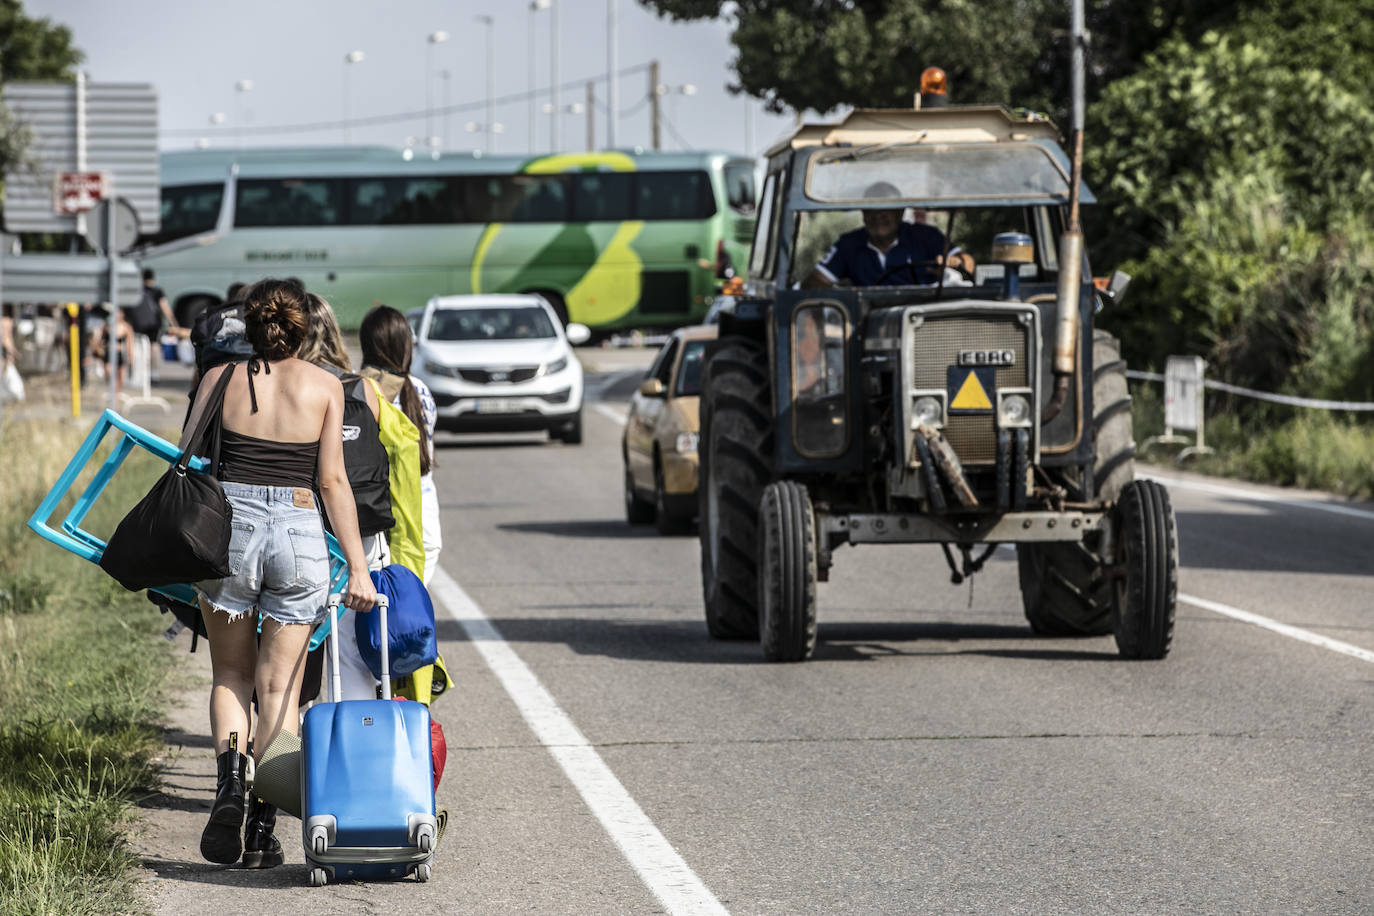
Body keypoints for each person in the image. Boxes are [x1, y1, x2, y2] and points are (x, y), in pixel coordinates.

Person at [186, 278, 376, 869]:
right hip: (298, 532)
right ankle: (264, 828)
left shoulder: (220, 379)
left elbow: (189, 456)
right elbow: (333, 482)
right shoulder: (326, 386)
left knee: (230, 676)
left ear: (248, 324)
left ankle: (229, 790)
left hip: (231, 532)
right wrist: (360, 571)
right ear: (304, 328)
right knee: (281, 689)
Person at [359, 305, 440, 584]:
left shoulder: (360, 389)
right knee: (406, 612)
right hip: (423, 518)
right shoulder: (420, 391)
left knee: (372, 616)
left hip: (378, 516)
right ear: (407, 345)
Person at [804, 182, 974, 288]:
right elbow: (816, 281)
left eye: (886, 209)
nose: (878, 217)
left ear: (900, 211)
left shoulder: (926, 236)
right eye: (871, 209)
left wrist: (955, 263)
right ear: (863, 212)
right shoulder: (848, 244)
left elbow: (967, 262)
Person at [139, 269, 180, 382]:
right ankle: (153, 372)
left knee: (140, 346)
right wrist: (174, 324)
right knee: (154, 347)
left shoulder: (138, 291)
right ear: (153, 278)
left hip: (139, 323)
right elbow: (165, 308)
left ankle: (141, 371)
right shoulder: (157, 291)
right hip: (154, 323)